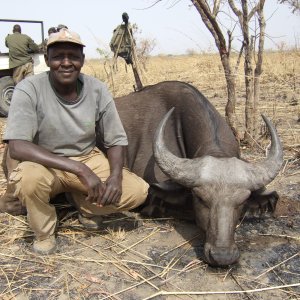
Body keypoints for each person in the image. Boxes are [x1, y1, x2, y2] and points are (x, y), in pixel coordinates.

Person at [2, 28, 149, 255]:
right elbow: (18, 146)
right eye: (59, 56)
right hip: (44, 161)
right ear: (48, 59)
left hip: (87, 156)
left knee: (137, 192)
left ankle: (83, 204)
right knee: (28, 180)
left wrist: (115, 177)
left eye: (73, 56)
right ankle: (45, 232)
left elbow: (116, 139)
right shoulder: (28, 88)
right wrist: (79, 169)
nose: (66, 62)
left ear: (82, 60)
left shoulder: (97, 89)